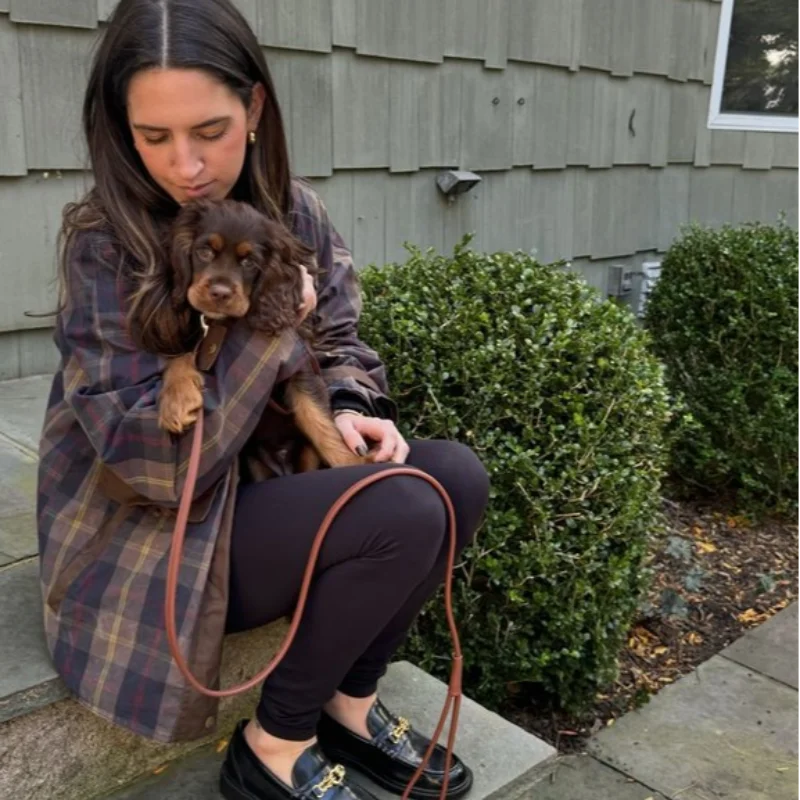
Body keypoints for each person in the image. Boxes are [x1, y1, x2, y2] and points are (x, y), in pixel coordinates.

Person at [35, 1, 490, 799]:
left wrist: (350, 406)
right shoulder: (104, 244)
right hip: (150, 537)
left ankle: (351, 702)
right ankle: (273, 747)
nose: (185, 166)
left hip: (261, 492)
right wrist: (270, 327)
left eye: (208, 130)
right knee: (404, 512)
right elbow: (154, 466)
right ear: (121, 129)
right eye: (154, 137)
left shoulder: (297, 212)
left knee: (451, 479)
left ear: (252, 108)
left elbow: (343, 342)